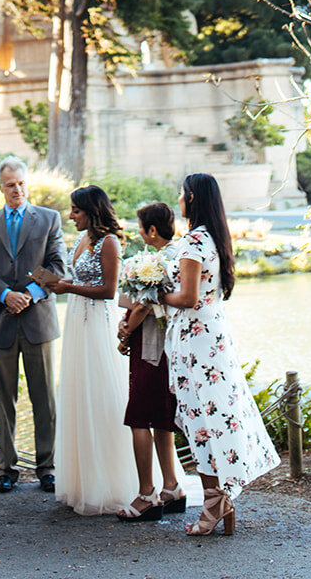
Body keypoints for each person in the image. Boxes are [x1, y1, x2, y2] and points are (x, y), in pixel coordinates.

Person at [161, 171, 279, 537]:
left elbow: (188, 298)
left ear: (191, 199)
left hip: (198, 344)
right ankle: (218, 496)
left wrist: (154, 295)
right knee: (213, 415)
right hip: (211, 337)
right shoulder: (213, 237)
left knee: (202, 419)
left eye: (181, 195)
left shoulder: (195, 241)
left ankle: (215, 499)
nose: (178, 200)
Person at [0, 156, 67, 494]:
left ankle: (48, 467)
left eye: (22, 183)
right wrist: (4, 295)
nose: (17, 190)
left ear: (28, 183)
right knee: (3, 400)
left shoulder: (49, 219)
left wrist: (28, 294)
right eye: (10, 185)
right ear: (1, 187)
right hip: (1, 322)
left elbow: (58, 265)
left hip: (37, 320)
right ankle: (5, 469)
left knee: (45, 399)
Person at [39, 185, 137, 516]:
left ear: (91, 212)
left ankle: (114, 481)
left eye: (75, 211)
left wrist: (67, 288)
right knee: (80, 397)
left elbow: (109, 291)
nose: (70, 216)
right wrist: (55, 284)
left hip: (98, 325)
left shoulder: (109, 242)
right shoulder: (81, 241)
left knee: (103, 397)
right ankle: (83, 481)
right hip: (77, 327)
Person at [115, 201, 187, 521]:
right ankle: (171, 487)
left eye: (141, 227)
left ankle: (147, 495)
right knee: (160, 417)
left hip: (152, 348)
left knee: (140, 417)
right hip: (169, 348)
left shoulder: (159, 261)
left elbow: (144, 305)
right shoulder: (182, 253)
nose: (138, 231)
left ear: (152, 231)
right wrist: (127, 320)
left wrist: (125, 332)